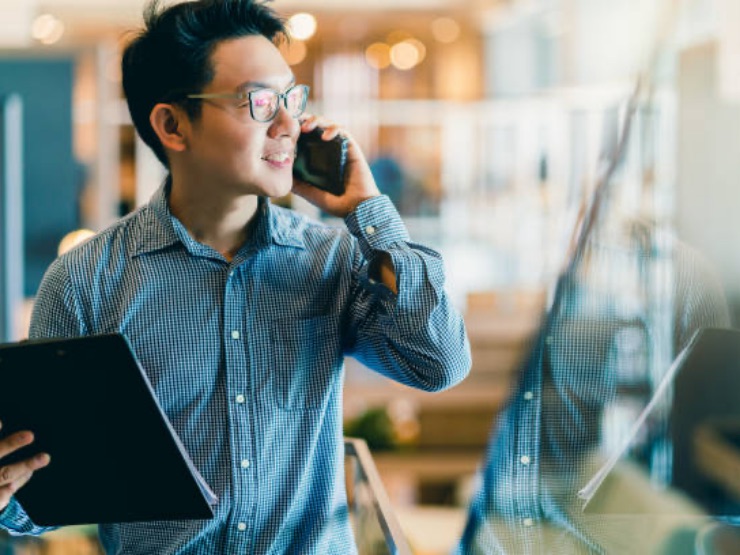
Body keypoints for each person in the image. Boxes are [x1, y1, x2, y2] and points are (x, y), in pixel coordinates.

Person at [0, 1, 471, 552]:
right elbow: (51, 490)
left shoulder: (332, 258)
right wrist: (12, 497)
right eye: (260, 102)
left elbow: (439, 364)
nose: (290, 124)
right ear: (172, 125)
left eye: (292, 99)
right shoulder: (86, 281)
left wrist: (369, 210)